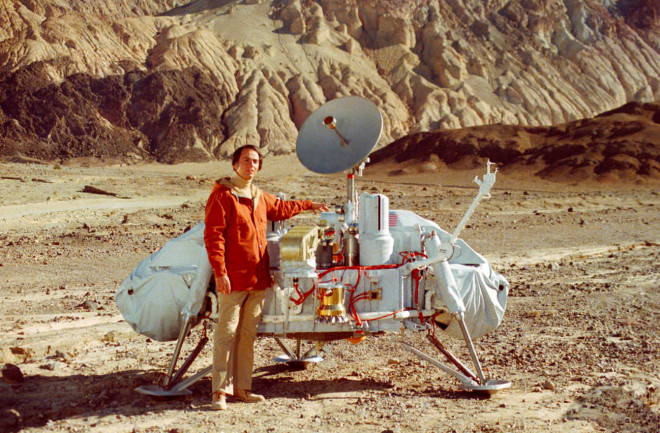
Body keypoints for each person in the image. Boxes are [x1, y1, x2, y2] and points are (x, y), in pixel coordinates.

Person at [204, 144, 329, 410]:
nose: (251, 165)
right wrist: (220, 273)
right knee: (226, 333)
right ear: (234, 164)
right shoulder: (223, 195)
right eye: (246, 160)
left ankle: (242, 389)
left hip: (258, 280)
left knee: (247, 335)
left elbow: (282, 208)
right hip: (233, 280)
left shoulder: (259, 196)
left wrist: (309, 205)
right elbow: (213, 238)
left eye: (256, 162)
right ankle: (219, 392)